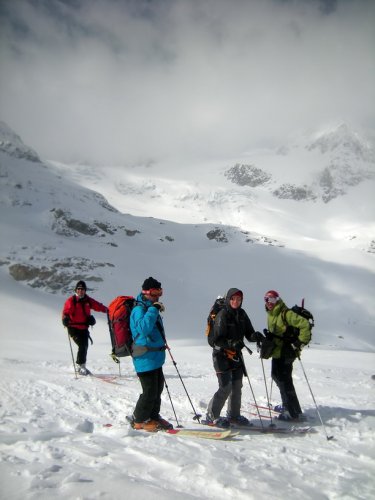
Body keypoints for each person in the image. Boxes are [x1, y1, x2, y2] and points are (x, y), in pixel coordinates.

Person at [206, 288, 262, 428]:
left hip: (236, 355)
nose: (236, 301)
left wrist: (256, 336)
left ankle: (233, 415)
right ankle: (211, 416)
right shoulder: (222, 315)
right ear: (228, 299)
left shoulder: (242, 314)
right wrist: (231, 343)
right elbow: (216, 340)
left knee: (237, 386)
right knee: (225, 386)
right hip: (221, 356)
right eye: (233, 299)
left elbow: (249, 333)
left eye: (239, 299)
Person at [129, 276, 171, 432]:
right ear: (146, 292)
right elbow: (143, 328)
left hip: (155, 357)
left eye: (159, 291)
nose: (157, 295)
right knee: (149, 391)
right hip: (144, 357)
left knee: (158, 389)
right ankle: (139, 419)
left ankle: (153, 416)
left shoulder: (149, 307)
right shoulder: (139, 309)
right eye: (154, 291)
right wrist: (154, 308)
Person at [263, 290, 311, 421]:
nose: (269, 302)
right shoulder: (271, 314)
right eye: (267, 299)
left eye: (272, 299)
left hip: (287, 352)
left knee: (284, 381)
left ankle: (291, 412)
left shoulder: (286, 313)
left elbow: (305, 324)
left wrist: (300, 342)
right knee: (278, 377)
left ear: (277, 300)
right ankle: (291, 407)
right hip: (277, 352)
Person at [62, 280, 108, 375]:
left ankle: (82, 365)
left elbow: (97, 306)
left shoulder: (88, 300)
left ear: (85, 290)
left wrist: (107, 310)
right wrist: (65, 319)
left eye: (82, 289)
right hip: (73, 328)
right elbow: (65, 312)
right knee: (82, 345)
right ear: (76, 290)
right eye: (79, 289)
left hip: (84, 328)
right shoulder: (71, 301)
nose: (80, 291)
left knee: (85, 346)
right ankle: (80, 367)